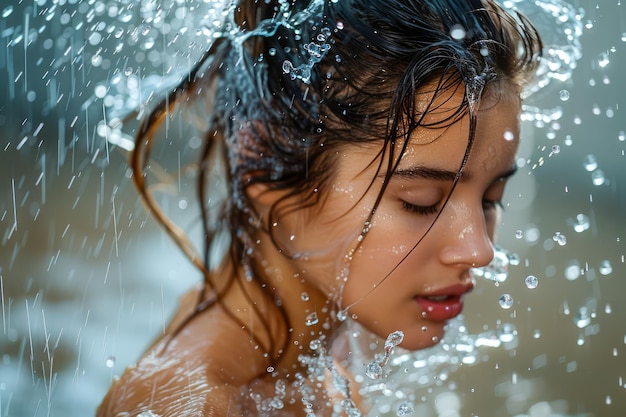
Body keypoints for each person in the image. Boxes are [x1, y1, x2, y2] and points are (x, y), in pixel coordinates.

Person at [97, 0, 542, 415]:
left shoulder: (315, 363)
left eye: (491, 199)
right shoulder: (189, 404)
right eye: (419, 204)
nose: (479, 250)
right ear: (264, 160)